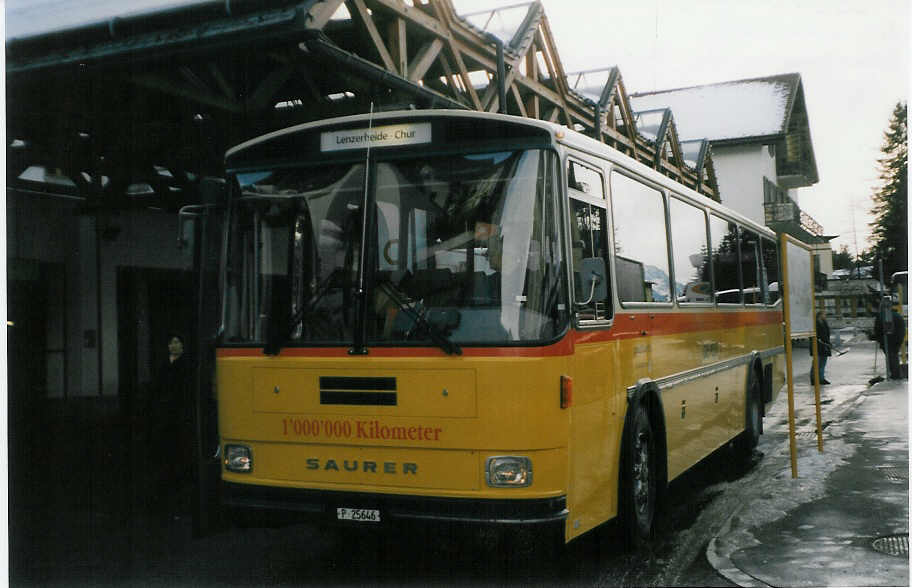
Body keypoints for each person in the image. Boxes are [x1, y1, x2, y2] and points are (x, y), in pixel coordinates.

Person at [149, 333, 196, 514]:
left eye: (177, 342)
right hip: (165, 411)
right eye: (171, 342)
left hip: (179, 411)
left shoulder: (185, 365)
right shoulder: (163, 365)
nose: (174, 345)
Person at [874, 303, 906, 380]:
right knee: (894, 355)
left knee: (891, 357)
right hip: (898, 338)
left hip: (888, 339)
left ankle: (895, 375)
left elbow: (878, 329)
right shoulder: (897, 315)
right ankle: (895, 374)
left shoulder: (881, 315)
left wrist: (878, 339)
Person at [810, 311, 832, 385]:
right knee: (816, 363)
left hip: (824, 345)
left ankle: (821, 379)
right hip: (818, 345)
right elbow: (813, 336)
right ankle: (813, 379)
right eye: (824, 314)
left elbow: (826, 335)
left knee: (822, 363)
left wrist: (828, 343)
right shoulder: (815, 324)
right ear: (820, 315)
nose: (825, 316)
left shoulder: (824, 323)